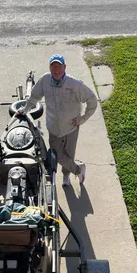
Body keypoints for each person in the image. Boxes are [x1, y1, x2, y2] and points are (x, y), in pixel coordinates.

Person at [18, 54, 98, 186]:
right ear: (49, 68)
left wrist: (82, 119)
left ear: (64, 67)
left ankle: (66, 176)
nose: (56, 70)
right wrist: (25, 110)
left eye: (59, 66)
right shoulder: (45, 80)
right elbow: (34, 96)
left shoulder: (74, 84)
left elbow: (92, 100)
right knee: (56, 155)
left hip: (71, 128)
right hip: (54, 128)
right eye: (53, 66)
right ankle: (78, 169)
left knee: (69, 155)